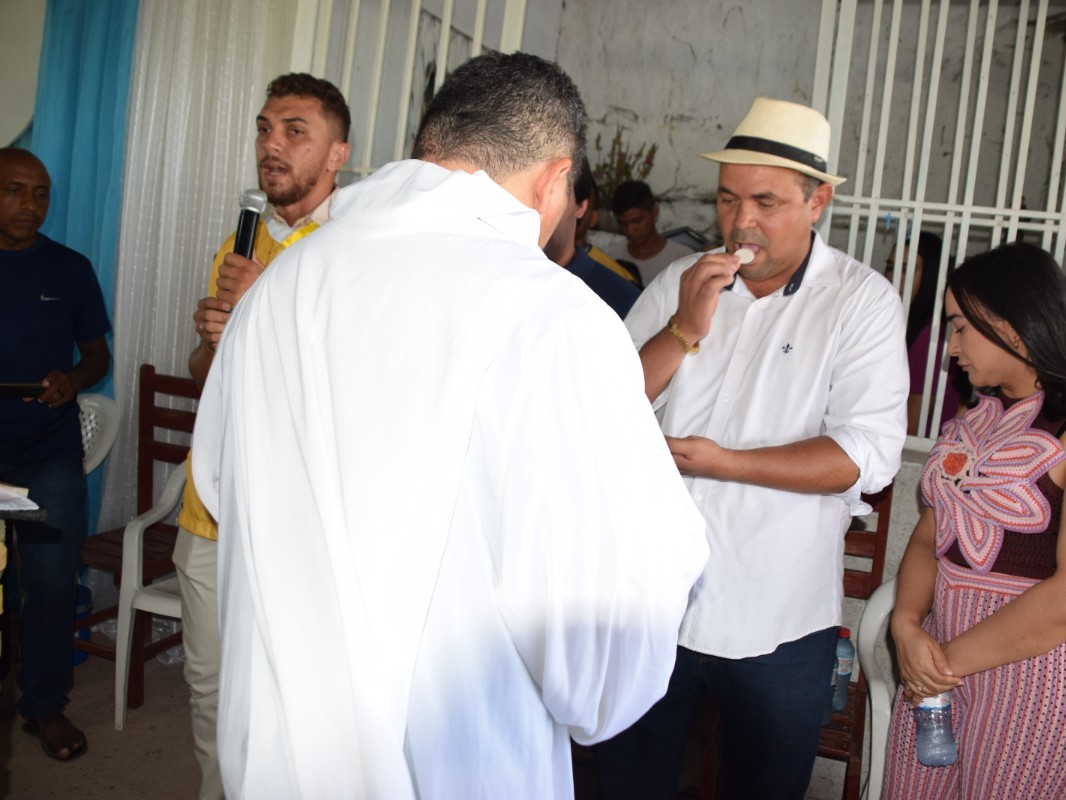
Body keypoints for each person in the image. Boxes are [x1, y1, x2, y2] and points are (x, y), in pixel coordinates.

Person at [191, 52, 708, 799]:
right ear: (555, 179)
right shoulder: (553, 317)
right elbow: (598, 674)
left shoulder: (280, 288)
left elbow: (218, 479)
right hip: (454, 764)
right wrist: (675, 540)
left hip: (277, 751)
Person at [592, 97, 908, 798]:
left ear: (818, 200)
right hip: (655, 606)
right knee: (624, 784)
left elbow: (867, 456)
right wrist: (680, 329)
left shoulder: (860, 302)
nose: (740, 222)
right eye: (728, 198)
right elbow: (603, 406)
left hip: (779, 621)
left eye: (766, 201)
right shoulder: (683, 281)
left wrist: (725, 463)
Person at [881, 242, 1066, 799]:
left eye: (959, 327)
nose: (950, 346)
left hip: (1036, 679)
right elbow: (934, 533)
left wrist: (943, 663)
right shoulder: (976, 414)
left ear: (1011, 323)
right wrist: (906, 626)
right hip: (936, 664)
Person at [176, 72, 350, 800]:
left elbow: (345, 393)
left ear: (338, 154)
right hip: (213, 511)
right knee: (211, 690)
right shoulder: (240, 241)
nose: (269, 146)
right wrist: (218, 336)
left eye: (293, 131)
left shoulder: (352, 252)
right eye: (263, 128)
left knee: (294, 703)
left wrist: (264, 311)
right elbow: (205, 375)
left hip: (295, 520)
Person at [0, 147, 111, 761]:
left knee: (46, 583)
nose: (30, 205)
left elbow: (98, 355)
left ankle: (43, 706)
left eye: (40, 193)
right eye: (15, 190)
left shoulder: (70, 269)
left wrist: (74, 377)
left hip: (46, 457)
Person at [885, 231, 969, 435]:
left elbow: (911, 427)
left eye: (906, 269)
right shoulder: (901, 325)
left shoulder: (933, 336)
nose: (894, 277)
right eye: (890, 267)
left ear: (932, 275)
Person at [544, 157, 641, 317]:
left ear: (581, 206)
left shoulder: (621, 297)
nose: (534, 208)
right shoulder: (495, 280)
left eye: (551, 194)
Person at [610, 180, 695, 287]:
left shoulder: (682, 258)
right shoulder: (614, 260)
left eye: (637, 221)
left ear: (654, 212)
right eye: (623, 223)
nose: (630, 230)